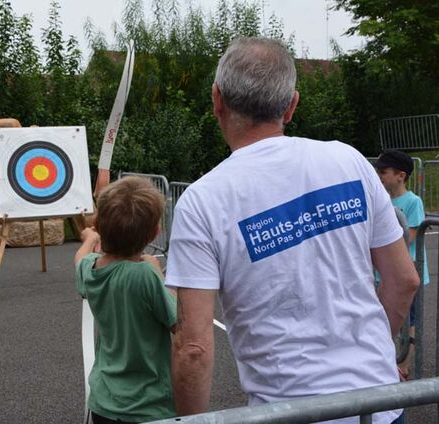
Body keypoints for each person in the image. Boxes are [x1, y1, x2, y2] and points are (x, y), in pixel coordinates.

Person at [165, 37, 420, 424]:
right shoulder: (349, 161)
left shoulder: (203, 201)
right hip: (378, 406)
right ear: (292, 105)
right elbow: (403, 280)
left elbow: (194, 347)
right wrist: (371, 357)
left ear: (217, 100)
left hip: (289, 412)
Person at [75, 176, 177, 424]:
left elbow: (80, 259)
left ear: (98, 224)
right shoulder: (145, 275)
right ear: (155, 233)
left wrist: (89, 239)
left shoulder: (91, 269)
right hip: (147, 407)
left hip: (104, 403)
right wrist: (157, 272)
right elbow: (177, 320)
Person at [375, 149, 429, 380]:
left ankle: (405, 365)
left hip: (405, 271)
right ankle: (389, 361)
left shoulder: (412, 201)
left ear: (401, 175)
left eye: (384, 172)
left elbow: (411, 235)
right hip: (383, 273)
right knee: (385, 317)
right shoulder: (383, 200)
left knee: (410, 320)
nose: (380, 177)